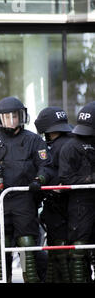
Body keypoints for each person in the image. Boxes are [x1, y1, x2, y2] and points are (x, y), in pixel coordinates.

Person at [0, 96, 54, 283]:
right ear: (0, 119)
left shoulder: (33, 140)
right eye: (7, 117)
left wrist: (38, 180)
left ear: (22, 117)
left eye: (15, 116)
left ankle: (30, 278)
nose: (12, 120)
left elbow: (46, 166)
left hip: (24, 199)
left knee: (26, 242)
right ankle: (4, 279)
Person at [34, 106, 73, 283]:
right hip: (75, 207)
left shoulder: (54, 148)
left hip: (58, 206)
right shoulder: (74, 141)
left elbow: (52, 174)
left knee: (59, 252)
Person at [59, 101, 95, 283]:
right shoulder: (71, 147)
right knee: (79, 250)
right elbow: (66, 178)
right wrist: (89, 180)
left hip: (83, 204)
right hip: (80, 204)